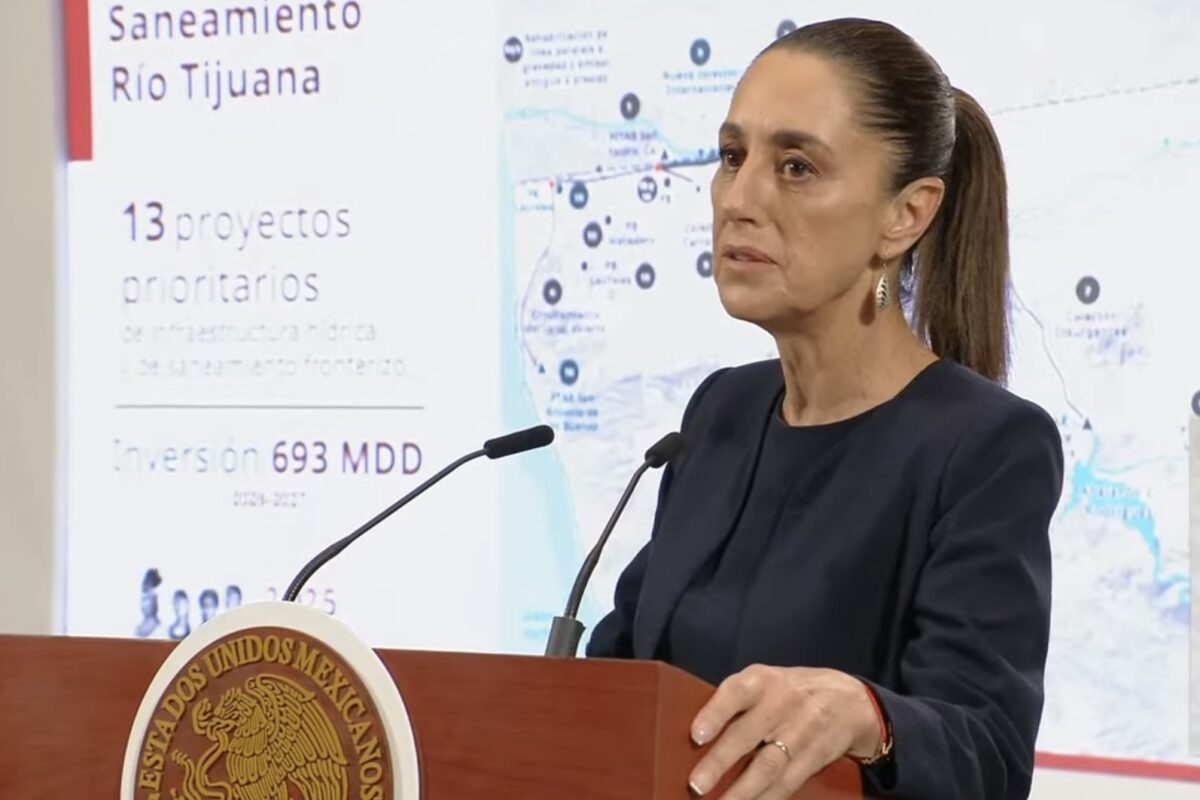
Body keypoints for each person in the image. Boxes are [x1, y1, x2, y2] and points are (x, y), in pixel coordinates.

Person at [586, 18, 1064, 800]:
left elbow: (987, 756)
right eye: (732, 156)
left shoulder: (986, 447)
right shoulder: (721, 412)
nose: (739, 199)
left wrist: (870, 717)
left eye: (796, 167)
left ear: (906, 215)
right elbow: (622, 672)